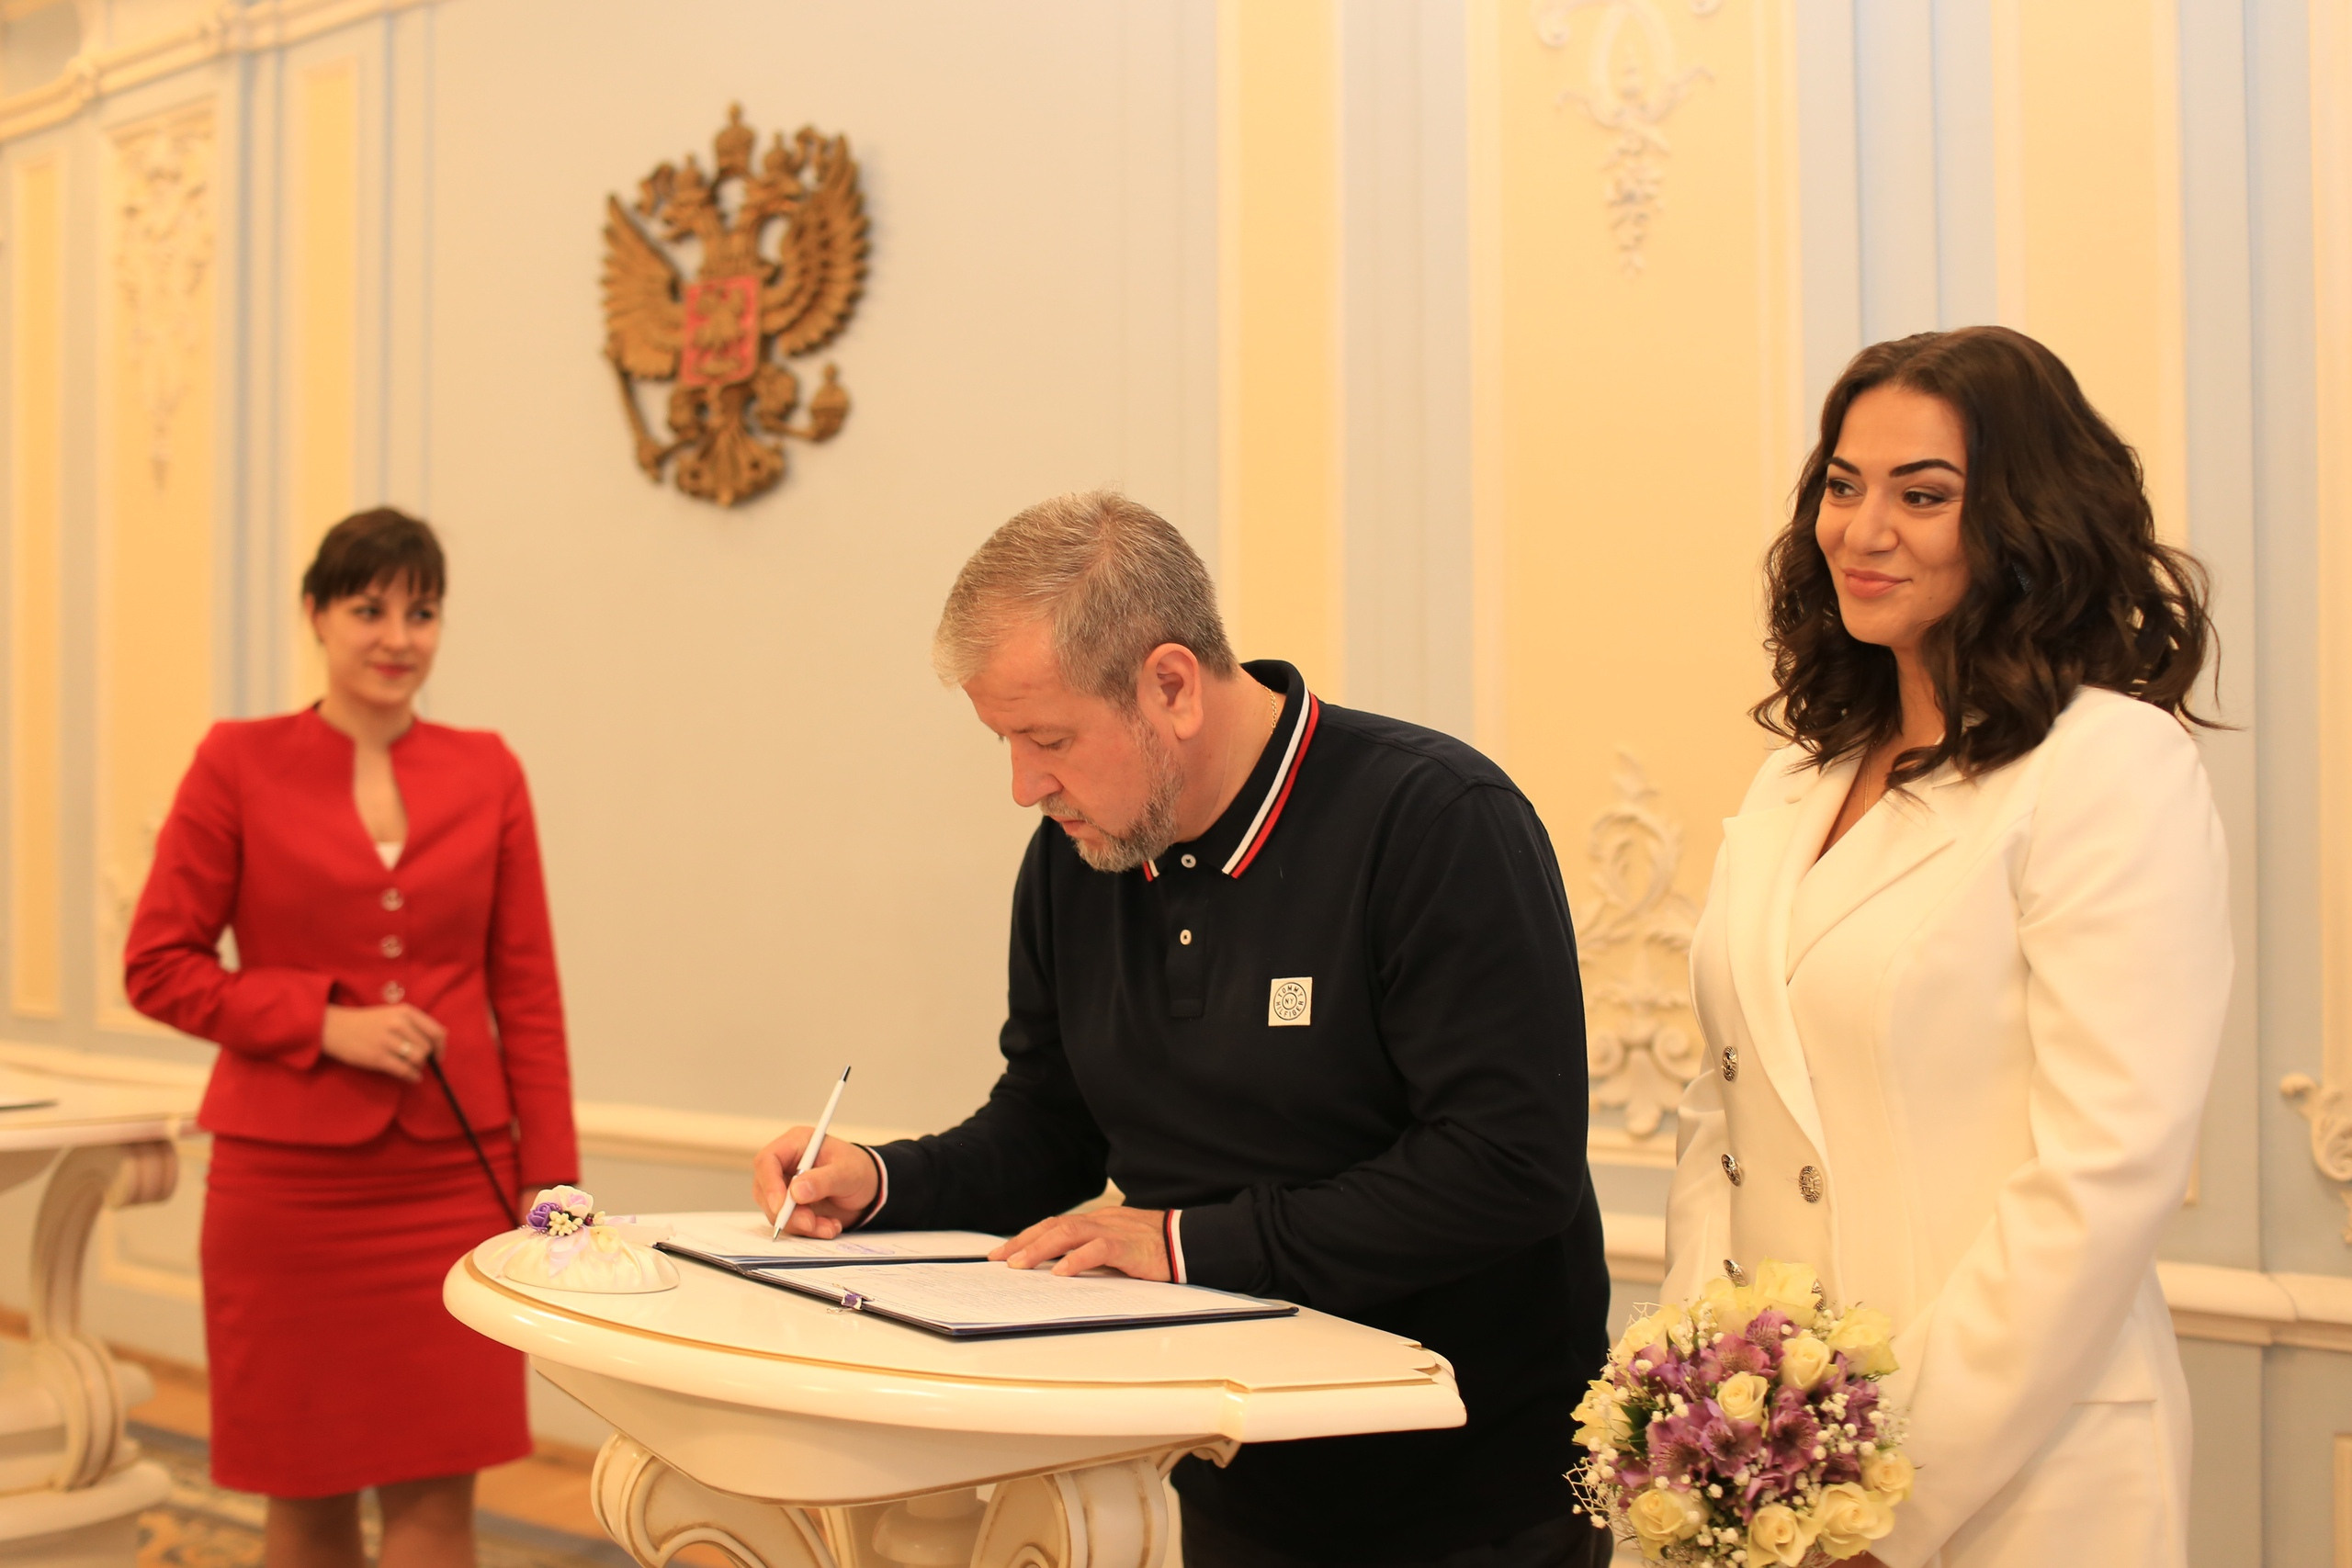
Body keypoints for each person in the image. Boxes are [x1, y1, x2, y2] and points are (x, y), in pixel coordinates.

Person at [752, 491, 1612, 1567]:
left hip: (1463, 1488)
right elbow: (1052, 1124)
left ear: (1170, 685)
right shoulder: (1083, 853)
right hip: (1221, 1460)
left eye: (1049, 738)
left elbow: (1505, 1167)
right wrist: (879, 1179)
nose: (1026, 786)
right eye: (1006, 741)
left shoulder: (1435, 822)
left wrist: (1183, 1242)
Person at [1664, 326, 2228, 1568]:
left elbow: (2102, 1171)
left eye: (1924, 494)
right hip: (1759, 1489)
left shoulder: (2108, 767)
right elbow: (1729, 1125)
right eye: (1843, 484)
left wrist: (1876, 1489)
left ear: (2024, 522)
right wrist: (1706, 1427)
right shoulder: (1794, 780)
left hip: (2015, 1477)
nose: (1864, 529)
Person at [125, 508, 577, 1568]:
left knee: (438, 1495)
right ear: (317, 615)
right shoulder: (237, 762)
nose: (396, 636)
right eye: (369, 608)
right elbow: (156, 964)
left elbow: (531, 996)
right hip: (286, 1197)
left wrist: (553, 1194)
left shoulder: (488, 770)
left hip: (450, 1186)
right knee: (306, 1495)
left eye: (421, 612)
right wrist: (320, 1024)